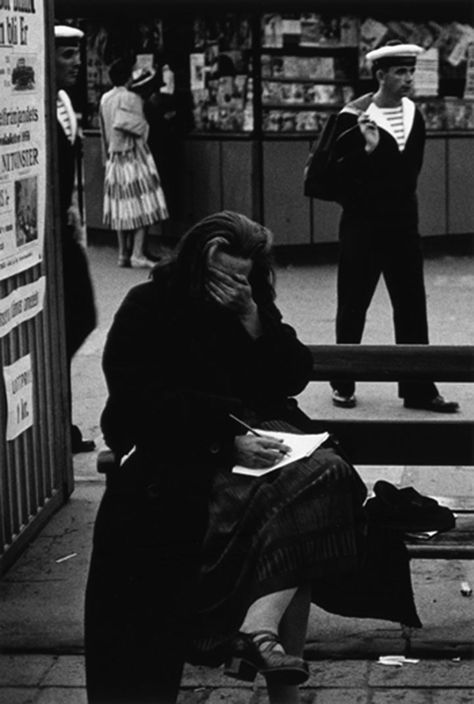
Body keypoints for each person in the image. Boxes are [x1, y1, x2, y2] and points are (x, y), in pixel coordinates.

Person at [85, 211, 421, 704]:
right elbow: (139, 400)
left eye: (242, 277)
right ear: (197, 265)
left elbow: (292, 375)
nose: (231, 286)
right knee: (295, 513)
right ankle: (262, 645)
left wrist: (252, 319)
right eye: (221, 276)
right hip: (188, 454)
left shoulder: (250, 303)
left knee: (330, 474)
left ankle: (258, 630)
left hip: (264, 443)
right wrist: (223, 436)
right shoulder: (149, 305)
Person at [328, 40, 459, 413]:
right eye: (400, 72)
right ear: (380, 75)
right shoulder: (352, 116)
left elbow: (410, 171)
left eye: (411, 71)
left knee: (412, 308)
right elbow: (335, 177)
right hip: (362, 226)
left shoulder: (414, 113)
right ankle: (342, 382)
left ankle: (418, 389)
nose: (408, 79)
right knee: (353, 305)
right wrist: (364, 151)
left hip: (403, 225)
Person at [54, 25, 97, 453]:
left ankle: (56, 416)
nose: (77, 63)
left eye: (77, 54)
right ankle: (57, 422)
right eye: (67, 54)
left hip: (62, 230)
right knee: (71, 320)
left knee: (79, 317)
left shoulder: (63, 103)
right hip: (45, 236)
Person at [99, 58, 169, 268]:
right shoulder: (131, 98)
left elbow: (104, 131)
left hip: (114, 158)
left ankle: (123, 253)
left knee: (122, 207)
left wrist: (107, 158)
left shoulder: (105, 98)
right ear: (129, 76)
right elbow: (140, 129)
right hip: (132, 156)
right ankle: (138, 254)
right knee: (144, 204)